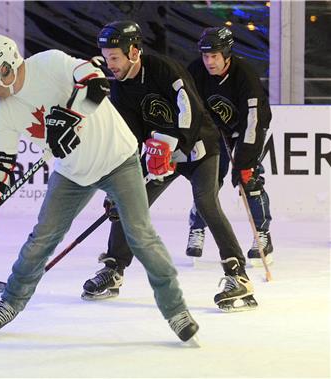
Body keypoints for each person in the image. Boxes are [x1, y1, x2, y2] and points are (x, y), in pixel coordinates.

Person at [0, 33, 199, 345]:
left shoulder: (48, 63)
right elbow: (2, 162)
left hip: (118, 159)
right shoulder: (3, 111)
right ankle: (11, 301)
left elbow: (96, 82)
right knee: (41, 239)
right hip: (73, 173)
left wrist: (70, 117)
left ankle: (176, 310)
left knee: (141, 236)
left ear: (4, 69)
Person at [83, 21, 257, 312]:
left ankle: (237, 274)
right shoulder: (121, 90)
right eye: (106, 56)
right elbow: (128, 139)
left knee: (206, 204)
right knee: (128, 202)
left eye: (115, 57)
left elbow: (189, 110)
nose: (109, 64)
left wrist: (169, 145)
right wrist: (118, 187)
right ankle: (113, 269)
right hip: (159, 156)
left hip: (198, 149)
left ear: (134, 51)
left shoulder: (165, 69)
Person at [185, 27, 274, 268]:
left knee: (250, 179)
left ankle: (262, 235)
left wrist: (244, 162)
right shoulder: (195, 71)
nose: (209, 62)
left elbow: (253, 121)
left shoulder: (244, 74)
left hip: (249, 127)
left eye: (214, 56)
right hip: (215, 131)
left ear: (227, 54)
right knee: (208, 180)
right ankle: (197, 228)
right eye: (205, 56)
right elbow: (187, 110)